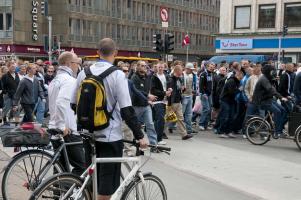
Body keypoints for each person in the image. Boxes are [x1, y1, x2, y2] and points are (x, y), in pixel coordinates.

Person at [71, 38, 147, 200]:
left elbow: (73, 104)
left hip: (87, 133)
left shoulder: (84, 72)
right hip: (110, 136)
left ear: (98, 52)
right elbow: (127, 109)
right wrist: (140, 136)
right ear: (116, 53)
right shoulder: (118, 75)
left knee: (91, 178)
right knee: (107, 184)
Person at [48, 51, 85, 176]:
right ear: (69, 64)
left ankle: (59, 194)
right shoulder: (69, 81)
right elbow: (60, 102)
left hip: (55, 128)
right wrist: (62, 125)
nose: (78, 66)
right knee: (81, 167)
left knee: (60, 167)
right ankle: (70, 192)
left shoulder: (55, 80)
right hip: (67, 131)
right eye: (76, 63)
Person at [252, 64, 288, 137]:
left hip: (269, 99)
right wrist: (281, 97)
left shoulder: (268, 78)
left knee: (283, 110)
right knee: (278, 112)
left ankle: (280, 129)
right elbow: (270, 90)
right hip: (262, 101)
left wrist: (285, 97)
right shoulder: (263, 79)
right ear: (268, 72)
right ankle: (277, 131)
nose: (273, 72)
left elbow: (273, 89)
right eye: (272, 71)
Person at [131, 60, 158, 147]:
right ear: (138, 67)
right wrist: (148, 96)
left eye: (145, 66)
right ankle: (134, 143)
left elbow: (148, 90)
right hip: (136, 106)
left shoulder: (147, 77)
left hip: (146, 105)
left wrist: (148, 99)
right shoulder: (134, 78)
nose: (145, 67)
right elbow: (137, 91)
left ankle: (153, 145)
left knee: (150, 124)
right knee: (135, 126)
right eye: (142, 66)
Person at [167, 64, 193, 140]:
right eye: (181, 70)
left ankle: (184, 134)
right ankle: (161, 132)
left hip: (178, 101)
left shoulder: (179, 79)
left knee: (180, 118)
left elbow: (180, 90)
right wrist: (169, 103)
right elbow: (170, 91)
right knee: (168, 119)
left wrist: (183, 89)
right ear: (177, 71)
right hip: (172, 102)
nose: (182, 71)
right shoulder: (171, 79)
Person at [218, 70, 244, 138]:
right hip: (225, 100)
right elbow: (231, 93)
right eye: (241, 77)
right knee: (225, 116)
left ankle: (228, 131)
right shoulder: (231, 81)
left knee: (231, 116)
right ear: (238, 75)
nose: (241, 78)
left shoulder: (237, 81)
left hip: (231, 101)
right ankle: (222, 131)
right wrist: (239, 90)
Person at [151, 61, 172, 145]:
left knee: (159, 120)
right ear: (156, 68)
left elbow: (168, 85)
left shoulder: (166, 76)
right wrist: (164, 93)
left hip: (165, 101)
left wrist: (170, 89)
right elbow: (153, 90)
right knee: (160, 120)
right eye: (158, 67)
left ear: (164, 68)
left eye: (161, 67)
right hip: (157, 101)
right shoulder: (154, 77)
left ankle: (156, 138)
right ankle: (158, 139)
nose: (160, 68)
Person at [2, 60, 20, 124]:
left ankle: (16, 124)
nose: (13, 68)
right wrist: (6, 92)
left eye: (14, 67)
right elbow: (2, 86)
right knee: (6, 109)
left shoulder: (17, 75)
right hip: (8, 95)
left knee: (16, 110)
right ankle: (4, 120)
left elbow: (18, 84)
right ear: (8, 67)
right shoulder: (5, 76)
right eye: (12, 66)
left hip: (16, 96)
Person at [198, 62, 215, 130]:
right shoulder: (203, 74)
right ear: (207, 67)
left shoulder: (212, 74)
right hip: (204, 94)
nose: (212, 68)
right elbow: (201, 85)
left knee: (210, 109)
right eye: (211, 67)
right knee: (206, 109)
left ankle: (206, 124)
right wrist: (203, 93)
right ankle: (201, 124)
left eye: (213, 67)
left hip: (209, 94)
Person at [182, 62, 197, 134]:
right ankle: (172, 126)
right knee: (181, 113)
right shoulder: (182, 75)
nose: (192, 70)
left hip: (189, 95)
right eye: (191, 69)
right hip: (183, 96)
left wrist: (193, 91)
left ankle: (189, 129)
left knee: (189, 113)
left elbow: (192, 85)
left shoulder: (192, 75)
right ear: (187, 69)